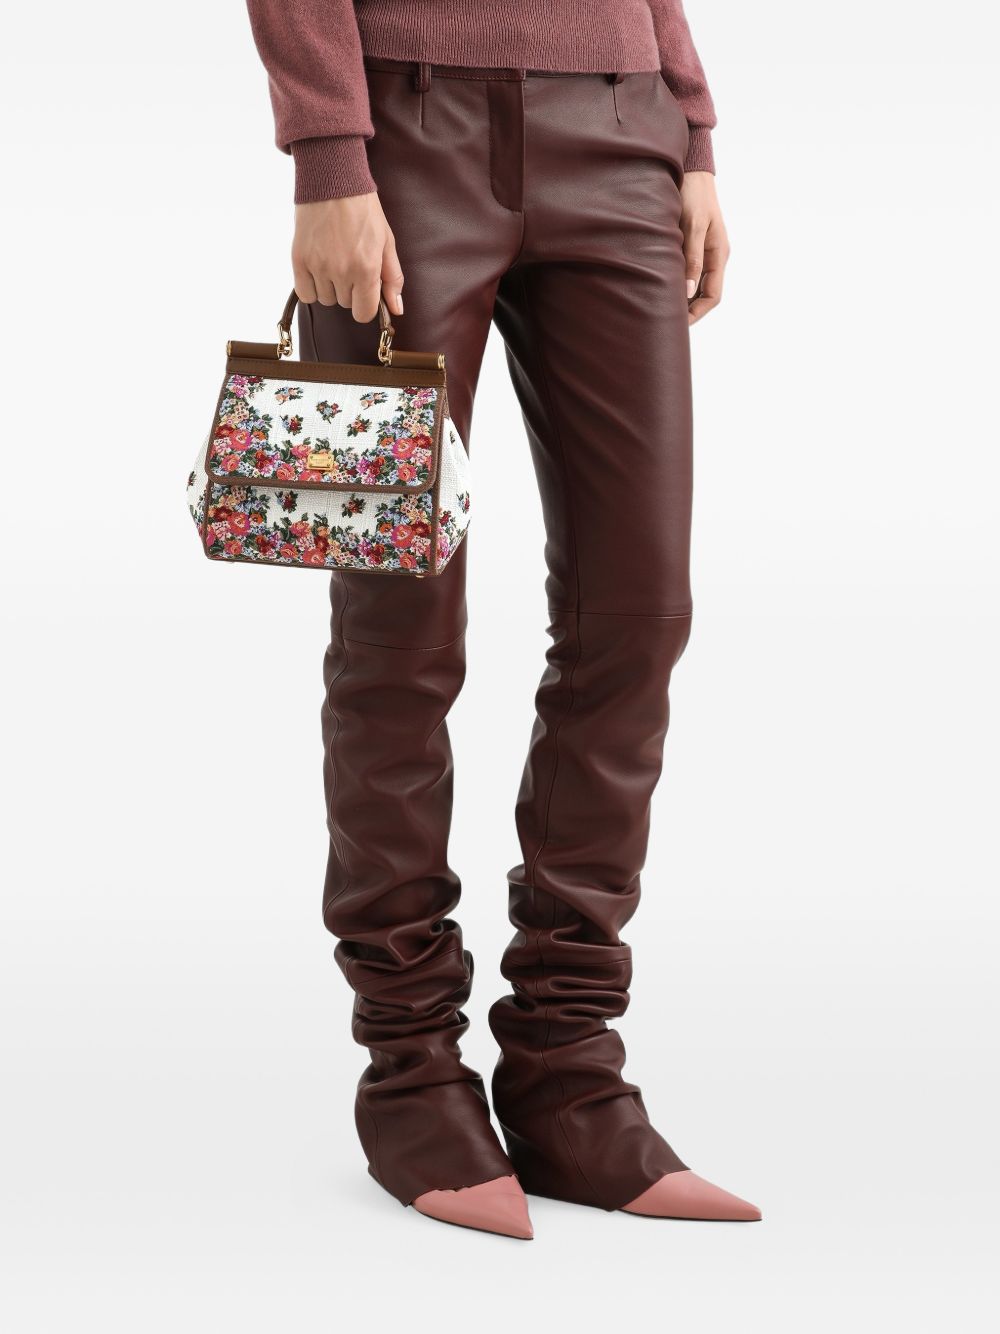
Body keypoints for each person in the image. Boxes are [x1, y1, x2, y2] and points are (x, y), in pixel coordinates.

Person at [245, 0, 759, 1238]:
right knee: (397, 627)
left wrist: (690, 129)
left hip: (624, 134)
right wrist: (328, 156)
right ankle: (411, 1071)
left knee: (637, 614)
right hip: (403, 134)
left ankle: (566, 1069)